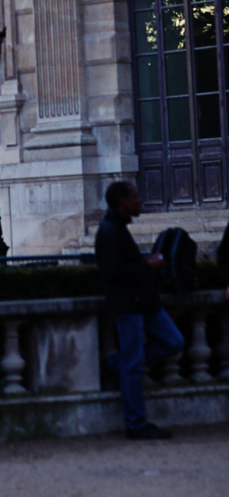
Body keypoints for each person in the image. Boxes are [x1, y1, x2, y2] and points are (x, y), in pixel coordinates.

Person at [95, 181, 185, 440]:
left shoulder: (116, 228)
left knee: (173, 342)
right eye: (134, 197)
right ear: (121, 201)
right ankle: (135, 423)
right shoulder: (110, 231)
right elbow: (114, 275)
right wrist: (150, 265)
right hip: (129, 305)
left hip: (142, 303)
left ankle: (116, 364)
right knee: (134, 365)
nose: (139, 200)